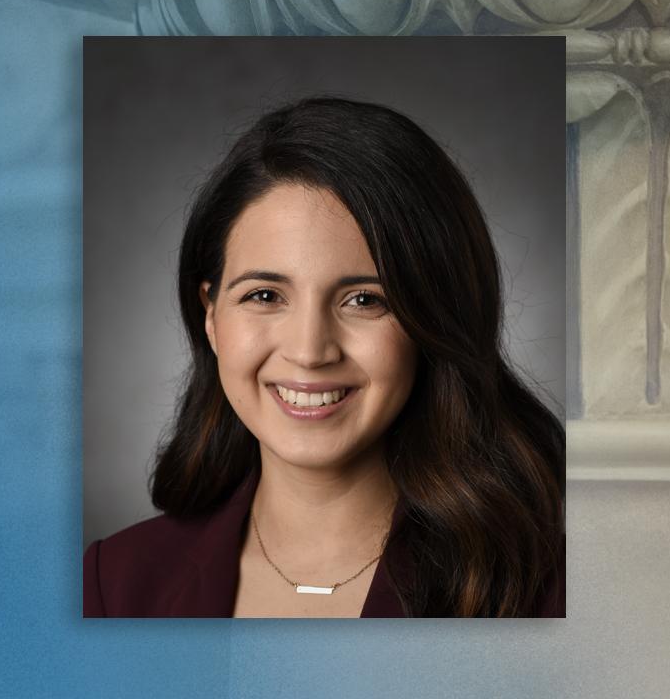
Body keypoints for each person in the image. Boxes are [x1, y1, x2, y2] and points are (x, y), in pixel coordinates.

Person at [83, 97, 565, 618]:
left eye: (365, 300)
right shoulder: (114, 583)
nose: (310, 352)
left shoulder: (552, 592)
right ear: (211, 315)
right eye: (265, 295)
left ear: (434, 318)